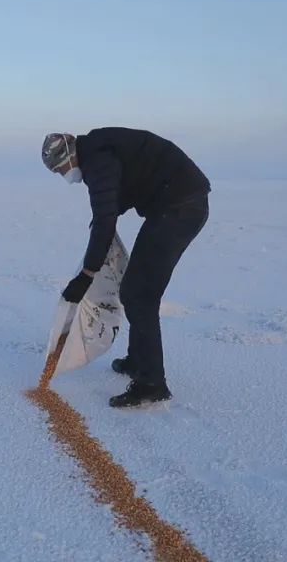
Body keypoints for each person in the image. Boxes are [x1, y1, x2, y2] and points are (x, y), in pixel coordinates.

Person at [41, 128, 210, 408]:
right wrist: (99, 231)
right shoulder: (97, 151)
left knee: (140, 294)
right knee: (134, 288)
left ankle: (151, 383)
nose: (64, 175)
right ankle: (138, 360)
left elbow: (106, 216)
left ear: (69, 155)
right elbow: (111, 204)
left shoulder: (98, 160)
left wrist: (87, 274)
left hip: (181, 207)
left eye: (61, 169)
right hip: (173, 203)